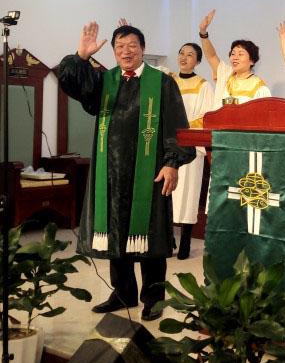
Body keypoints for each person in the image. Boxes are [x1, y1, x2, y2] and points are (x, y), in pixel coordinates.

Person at [58, 22, 195, 321]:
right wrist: (80, 56)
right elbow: (70, 84)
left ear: (143, 49)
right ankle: (123, 293)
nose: (126, 51)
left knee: (151, 241)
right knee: (115, 235)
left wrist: (172, 162)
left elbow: (178, 126)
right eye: (119, 47)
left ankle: (153, 299)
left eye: (131, 45)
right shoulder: (104, 81)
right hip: (111, 173)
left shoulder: (162, 83)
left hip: (151, 172)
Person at [169, 42, 214, 259]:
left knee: (187, 193)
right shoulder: (169, 81)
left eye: (190, 54)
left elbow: (207, 116)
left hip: (189, 145)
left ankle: (185, 242)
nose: (184, 57)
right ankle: (168, 240)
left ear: (197, 61)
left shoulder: (203, 85)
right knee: (166, 193)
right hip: (168, 144)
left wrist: (183, 127)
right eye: (181, 53)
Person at [198, 9, 271, 107]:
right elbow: (211, 56)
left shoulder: (259, 87)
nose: (235, 57)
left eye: (240, 54)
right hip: (221, 122)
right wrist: (203, 32)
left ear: (252, 61)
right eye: (233, 54)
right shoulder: (226, 75)